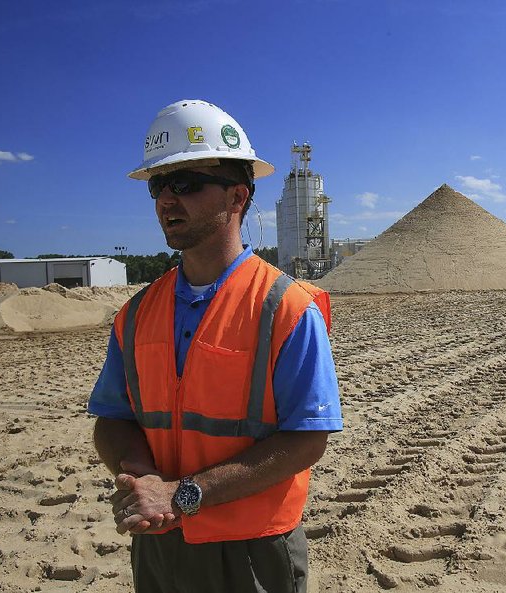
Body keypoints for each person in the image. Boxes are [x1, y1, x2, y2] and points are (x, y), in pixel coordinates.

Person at [88, 99, 342, 593]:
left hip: (251, 552)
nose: (166, 199)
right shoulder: (137, 313)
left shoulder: (287, 308)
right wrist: (142, 479)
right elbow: (113, 418)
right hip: (159, 544)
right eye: (159, 186)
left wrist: (184, 495)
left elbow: (308, 440)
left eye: (186, 184)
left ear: (238, 197)